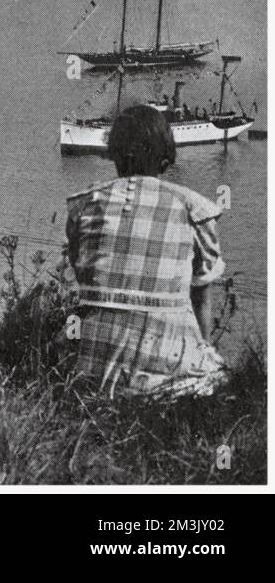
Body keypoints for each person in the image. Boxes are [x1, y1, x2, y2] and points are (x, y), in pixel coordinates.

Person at [66, 104, 228, 398]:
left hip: (94, 373)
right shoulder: (196, 210)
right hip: (171, 370)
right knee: (222, 378)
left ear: (113, 154)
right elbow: (202, 298)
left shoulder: (83, 205)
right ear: (166, 160)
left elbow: (83, 276)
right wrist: (205, 351)